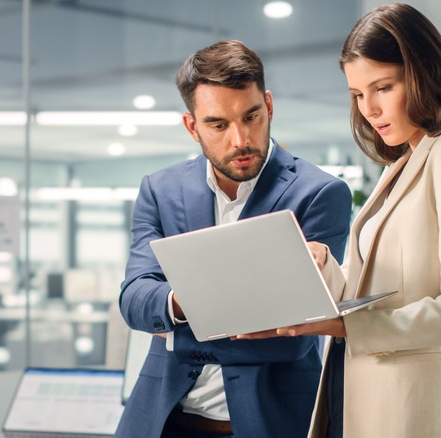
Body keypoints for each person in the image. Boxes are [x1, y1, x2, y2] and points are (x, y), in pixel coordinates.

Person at [238, 3, 441, 437]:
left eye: (383, 87)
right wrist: (320, 268)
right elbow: (380, 285)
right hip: (356, 396)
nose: (368, 108)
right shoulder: (401, 164)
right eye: (356, 94)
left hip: (415, 408)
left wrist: (343, 324)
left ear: (424, 73)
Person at [115, 40, 353, 438]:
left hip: (267, 422)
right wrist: (184, 301)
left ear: (270, 106)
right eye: (218, 124)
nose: (240, 139)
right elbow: (135, 300)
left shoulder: (320, 193)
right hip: (163, 420)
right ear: (193, 127)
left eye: (251, 116)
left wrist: (177, 332)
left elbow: (295, 335)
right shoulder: (160, 190)